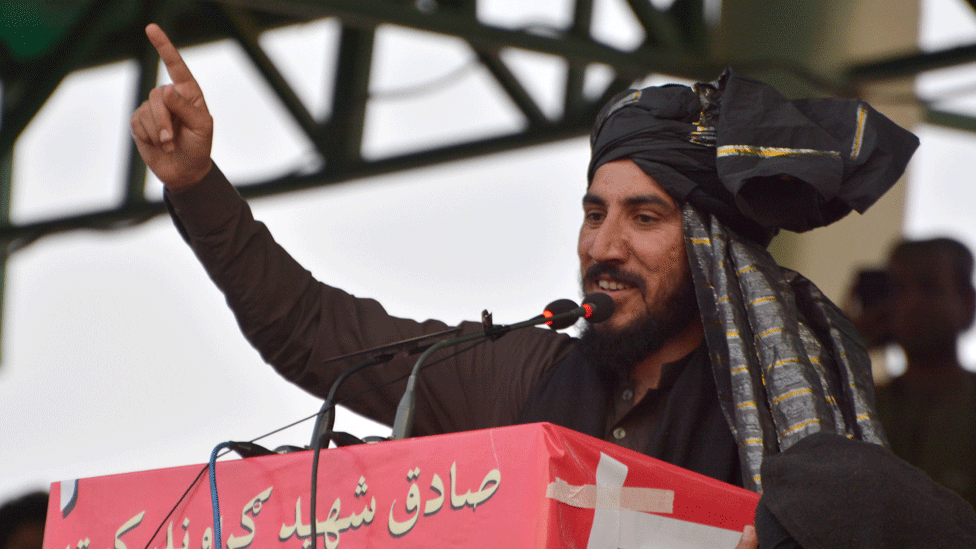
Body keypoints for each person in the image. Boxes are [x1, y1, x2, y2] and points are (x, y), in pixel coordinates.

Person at [131, 23, 922, 548]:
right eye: (593, 212)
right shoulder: (526, 372)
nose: (603, 247)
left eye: (644, 217)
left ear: (715, 251)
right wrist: (196, 182)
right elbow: (309, 328)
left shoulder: (788, 429)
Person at [874, 237, 976, 509]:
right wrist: (845, 342)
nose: (912, 303)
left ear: (968, 303)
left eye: (929, 287)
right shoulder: (864, 406)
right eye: (898, 290)